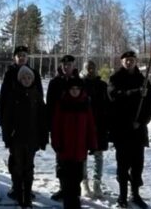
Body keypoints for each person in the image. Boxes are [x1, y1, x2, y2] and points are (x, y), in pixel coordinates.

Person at [108, 51, 151, 209]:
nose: (129, 62)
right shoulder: (115, 79)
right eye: (126, 60)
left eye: (132, 60)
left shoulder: (143, 80)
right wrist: (135, 93)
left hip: (138, 131)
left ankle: (135, 194)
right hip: (121, 130)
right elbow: (113, 97)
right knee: (122, 164)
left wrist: (142, 121)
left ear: (136, 61)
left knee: (137, 165)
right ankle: (122, 195)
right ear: (122, 62)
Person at [0, 45, 43, 201]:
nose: (21, 57)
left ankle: (27, 188)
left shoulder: (34, 74)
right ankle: (16, 186)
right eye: (19, 55)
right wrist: (2, 122)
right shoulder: (10, 74)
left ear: (27, 57)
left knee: (28, 162)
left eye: (24, 55)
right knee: (15, 160)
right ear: (14, 58)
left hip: (31, 129)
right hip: (14, 127)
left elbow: (39, 100)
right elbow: (3, 99)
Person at [51, 77, 97, 209]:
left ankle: (75, 201)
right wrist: (56, 143)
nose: (75, 91)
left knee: (77, 178)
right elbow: (56, 125)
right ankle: (68, 202)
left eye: (77, 89)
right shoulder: (62, 103)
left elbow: (90, 125)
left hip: (80, 150)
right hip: (65, 149)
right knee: (66, 179)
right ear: (68, 90)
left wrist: (92, 144)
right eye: (72, 89)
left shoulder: (85, 103)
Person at [46, 54, 80, 201]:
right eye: (65, 65)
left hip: (77, 126)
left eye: (70, 64)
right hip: (59, 126)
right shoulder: (54, 83)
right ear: (61, 66)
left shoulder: (79, 82)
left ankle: (75, 190)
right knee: (61, 159)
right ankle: (63, 188)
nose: (67, 67)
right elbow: (49, 105)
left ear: (74, 66)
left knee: (77, 160)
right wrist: (49, 125)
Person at [80, 60, 109, 198]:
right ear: (84, 69)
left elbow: (109, 106)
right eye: (87, 67)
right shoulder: (79, 84)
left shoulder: (102, 85)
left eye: (92, 67)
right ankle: (84, 182)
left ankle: (97, 183)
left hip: (100, 125)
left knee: (99, 156)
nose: (90, 69)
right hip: (83, 125)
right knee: (82, 155)